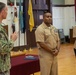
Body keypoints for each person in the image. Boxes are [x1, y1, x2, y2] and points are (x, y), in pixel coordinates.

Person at [0, 2, 17, 75]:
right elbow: (3, 49)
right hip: (2, 68)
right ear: (2, 11)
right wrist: (12, 40)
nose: (7, 13)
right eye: (6, 10)